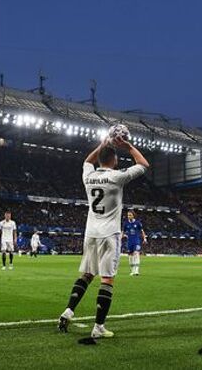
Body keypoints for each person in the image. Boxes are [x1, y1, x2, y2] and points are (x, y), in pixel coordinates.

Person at [58, 135, 149, 339]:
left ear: (99, 157)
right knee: (107, 279)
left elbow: (87, 162)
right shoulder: (116, 176)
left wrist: (101, 146)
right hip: (109, 234)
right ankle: (99, 327)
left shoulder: (88, 176)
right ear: (114, 160)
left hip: (90, 233)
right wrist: (127, 146)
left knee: (87, 275)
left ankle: (68, 311)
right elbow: (143, 164)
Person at [122, 210, 147, 276]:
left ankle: (136, 270)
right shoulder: (125, 223)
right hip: (129, 242)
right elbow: (123, 232)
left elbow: (142, 231)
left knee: (136, 254)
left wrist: (144, 238)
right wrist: (121, 237)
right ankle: (132, 270)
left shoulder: (138, 223)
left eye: (130, 215)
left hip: (136, 241)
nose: (128, 216)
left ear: (133, 215)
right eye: (128, 215)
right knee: (130, 256)